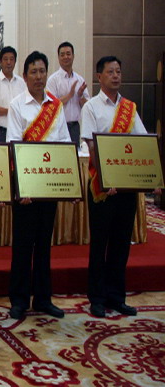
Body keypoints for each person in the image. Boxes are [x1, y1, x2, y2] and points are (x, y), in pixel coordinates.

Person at [81, 56, 153, 318]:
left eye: (118, 71)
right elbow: (91, 147)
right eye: (110, 72)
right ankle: (97, 298)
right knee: (100, 244)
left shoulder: (129, 108)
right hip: (102, 188)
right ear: (99, 76)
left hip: (126, 188)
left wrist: (149, 178)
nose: (115, 76)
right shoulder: (91, 107)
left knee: (122, 244)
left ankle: (116, 296)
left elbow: (142, 143)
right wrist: (106, 179)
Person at [5, 51, 70, 320]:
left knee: (44, 244)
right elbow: (13, 144)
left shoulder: (56, 106)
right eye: (34, 71)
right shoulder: (17, 105)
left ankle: (43, 299)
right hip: (26, 188)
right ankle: (19, 300)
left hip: (49, 184)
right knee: (23, 245)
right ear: (25, 76)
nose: (39, 76)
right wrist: (23, 187)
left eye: (42, 71)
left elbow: (64, 143)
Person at [47, 42, 90, 143]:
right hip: (58, 126)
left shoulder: (80, 79)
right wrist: (70, 95)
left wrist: (80, 96)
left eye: (68, 54)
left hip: (75, 126)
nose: (65, 57)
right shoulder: (52, 80)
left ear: (73, 56)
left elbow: (87, 107)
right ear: (58, 58)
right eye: (62, 55)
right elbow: (51, 106)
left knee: (75, 152)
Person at [0, 46, 26, 142]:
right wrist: (11, 111)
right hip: (0, 130)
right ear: (0, 61)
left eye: (11, 59)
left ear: (15, 62)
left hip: (18, 130)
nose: (8, 62)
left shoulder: (21, 82)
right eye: (5, 59)